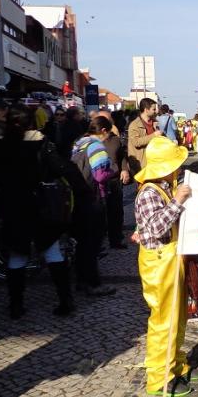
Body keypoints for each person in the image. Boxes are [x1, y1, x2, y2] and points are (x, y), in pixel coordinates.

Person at [0, 104, 85, 318]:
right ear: (31, 122)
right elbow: (61, 167)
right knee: (52, 251)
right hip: (41, 205)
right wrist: (82, 189)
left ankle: (15, 305)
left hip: (13, 206)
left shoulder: (0, 145)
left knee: (17, 255)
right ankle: (65, 301)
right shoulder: (40, 143)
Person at [133, 135, 198, 397]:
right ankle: (159, 379)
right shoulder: (149, 192)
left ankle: (176, 365)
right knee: (164, 321)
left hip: (172, 258)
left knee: (179, 316)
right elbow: (157, 226)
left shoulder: (163, 186)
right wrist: (178, 200)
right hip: (160, 262)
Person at [70, 117, 117, 297]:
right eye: (109, 133)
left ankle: (81, 280)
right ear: (103, 131)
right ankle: (93, 283)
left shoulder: (79, 144)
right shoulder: (96, 146)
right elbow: (100, 176)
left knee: (83, 243)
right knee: (92, 243)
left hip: (78, 197)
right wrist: (113, 170)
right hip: (93, 197)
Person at [91, 109, 131, 249]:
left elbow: (122, 156)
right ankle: (99, 242)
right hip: (97, 182)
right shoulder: (90, 140)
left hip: (113, 180)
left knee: (116, 212)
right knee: (99, 214)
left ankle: (116, 239)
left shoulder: (115, 139)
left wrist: (125, 170)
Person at [127, 98, 160, 178]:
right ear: (146, 110)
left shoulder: (155, 123)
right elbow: (136, 142)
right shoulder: (135, 125)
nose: (156, 111)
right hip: (142, 164)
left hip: (154, 162)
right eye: (153, 109)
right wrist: (154, 135)